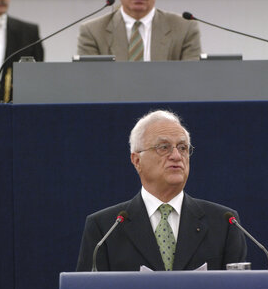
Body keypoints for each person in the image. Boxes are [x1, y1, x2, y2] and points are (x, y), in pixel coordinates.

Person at [77, 109, 246, 271]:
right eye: (164, 147)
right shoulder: (104, 228)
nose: (176, 156)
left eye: (182, 148)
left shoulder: (225, 223)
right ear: (137, 161)